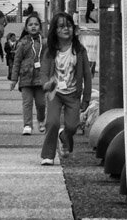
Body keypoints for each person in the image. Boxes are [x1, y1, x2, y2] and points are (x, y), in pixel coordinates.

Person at [39, 12, 92, 166]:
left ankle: (65, 136)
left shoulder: (79, 50)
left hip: (73, 94)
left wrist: (86, 98)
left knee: (72, 125)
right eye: (61, 26)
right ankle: (48, 155)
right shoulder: (50, 50)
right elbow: (43, 71)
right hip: (55, 93)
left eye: (68, 25)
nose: (66, 29)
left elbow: (87, 75)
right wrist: (46, 84)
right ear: (55, 30)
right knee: (52, 123)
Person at [11, 13, 46, 136]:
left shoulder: (44, 43)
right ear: (26, 28)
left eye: (36, 24)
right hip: (25, 79)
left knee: (41, 103)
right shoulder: (22, 43)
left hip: (41, 79)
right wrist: (14, 79)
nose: (33, 26)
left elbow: (50, 59)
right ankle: (27, 125)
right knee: (27, 103)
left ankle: (41, 120)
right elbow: (16, 62)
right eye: (30, 24)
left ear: (40, 27)